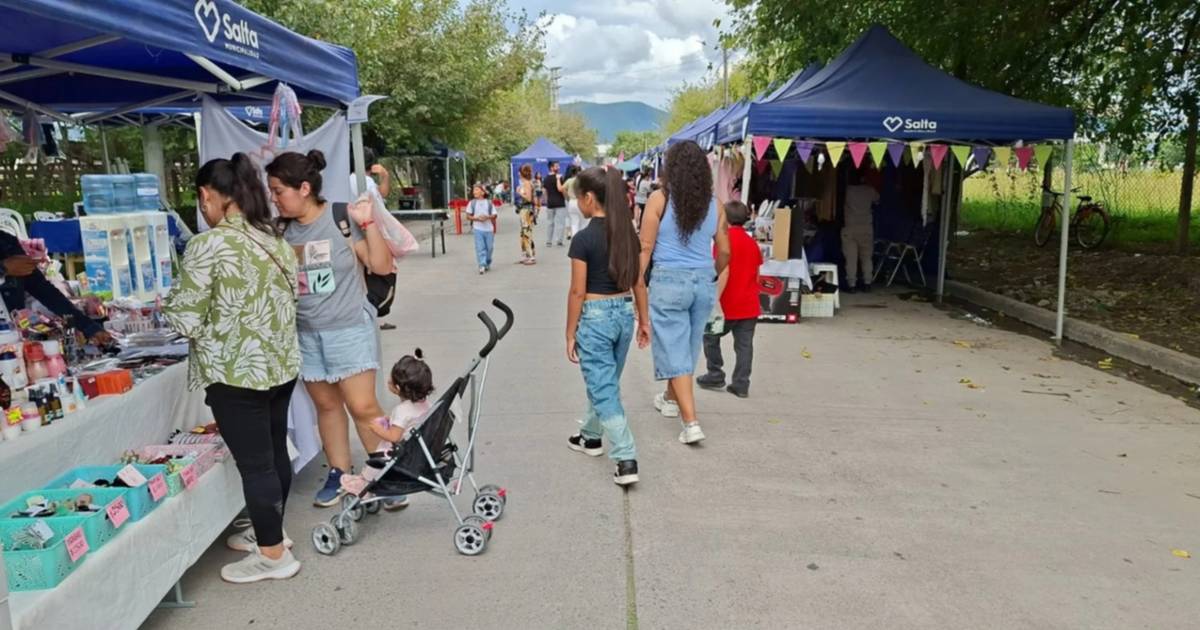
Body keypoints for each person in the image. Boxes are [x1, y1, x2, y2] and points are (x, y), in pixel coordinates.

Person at [163, 153, 301, 584]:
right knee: (276, 452)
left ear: (208, 196)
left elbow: (184, 318)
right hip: (279, 365)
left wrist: (167, 306)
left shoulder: (208, 246)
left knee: (256, 465)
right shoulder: (274, 239)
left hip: (236, 372)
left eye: (201, 201)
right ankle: (274, 534)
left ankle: (274, 556)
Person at [265, 150, 398, 509]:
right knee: (326, 407)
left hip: (349, 328)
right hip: (305, 332)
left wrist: (369, 223)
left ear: (304, 187)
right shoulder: (280, 230)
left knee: (364, 406)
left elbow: (382, 265)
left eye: (279, 191)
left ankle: (385, 474)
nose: (274, 199)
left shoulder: (342, 218)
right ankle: (340, 472)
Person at [639, 140, 730, 445]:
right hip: (703, 281)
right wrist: (713, 272)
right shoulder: (715, 205)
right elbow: (726, 251)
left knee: (675, 346)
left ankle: (691, 422)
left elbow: (646, 247)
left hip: (669, 281)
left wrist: (635, 282)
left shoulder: (657, 200)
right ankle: (669, 397)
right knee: (687, 347)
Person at [565, 166, 650, 486]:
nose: (577, 205)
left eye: (578, 199)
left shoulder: (584, 239)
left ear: (589, 198)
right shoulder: (628, 233)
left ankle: (626, 457)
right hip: (624, 314)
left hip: (596, 317)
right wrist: (644, 320)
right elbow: (639, 283)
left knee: (603, 386)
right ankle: (589, 436)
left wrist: (570, 332)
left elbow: (577, 291)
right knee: (605, 382)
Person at [338, 350, 434, 499]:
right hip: (421, 452)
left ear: (398, 388)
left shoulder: (402, 410)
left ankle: (364, 484)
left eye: (391, 381)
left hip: (403, 456)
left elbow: (394, 437)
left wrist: (377, 429)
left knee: (376, 459)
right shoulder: (426, 404)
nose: (388, 382)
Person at [697, 200, 761, 398]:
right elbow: (757, 275)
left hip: (727, 305)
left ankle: (715, 373)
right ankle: (741, 384)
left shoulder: (723, 241)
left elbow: (724, 272)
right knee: (744, 346)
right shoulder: (752, 243)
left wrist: (714, 299)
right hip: (749, 305)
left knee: (710, 337)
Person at [0, 234, 110, 345]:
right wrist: (3, 268)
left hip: (14, 337)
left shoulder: (7, 243)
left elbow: (44, 290)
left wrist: (88, 327)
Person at [350, 147, 397, 329]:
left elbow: (382, 193)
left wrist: (384, 176)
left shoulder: (345, 181)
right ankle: (372, 315)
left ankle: (371, 315)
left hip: (351, 234)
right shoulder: (365, 182)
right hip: (367, 233)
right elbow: (379, 208)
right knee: (376, 273)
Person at [842, 170, 879, 293]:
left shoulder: (847, 190)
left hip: (850, 228)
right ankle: (867, 282)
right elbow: (877, 200)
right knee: (866, 257)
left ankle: (852, 285)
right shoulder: (870, 190)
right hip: (866, 228)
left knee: (851, 258)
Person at [466, 185, 496, 274]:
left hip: (489, 229)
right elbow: (468, 216)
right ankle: (482, 265)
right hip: (478, 229)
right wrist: (476, 219)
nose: (474, 192)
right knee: (480, 248)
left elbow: (495, 215)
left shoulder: (489, 203)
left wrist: (487, 217)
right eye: (474, 190)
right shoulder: (472, 203)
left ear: (482, 192)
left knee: (489, 248)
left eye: (476, 190)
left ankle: (487, 262)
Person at [516, 164, 537, 265]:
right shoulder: (526, 183)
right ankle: (526, 254)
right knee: (524, 233)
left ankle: (531, 256)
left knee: (527, 233)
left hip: (526, 210)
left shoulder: (527, 183)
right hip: (525, 210)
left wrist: (519, 192)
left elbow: (528, 198)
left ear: (521, 173)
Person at [543, 161, 568, 248]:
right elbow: (562, 189)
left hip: (550, 203)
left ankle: (548, 241)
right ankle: (559, 241)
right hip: (560, 203)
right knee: (560, 223)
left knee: (550, 222)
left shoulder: (545, 178)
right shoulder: (560, 177)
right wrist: (566, 197)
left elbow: (545, 191)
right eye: (556, 166)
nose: (558, 167)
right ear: (551, 167)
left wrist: (546, 201)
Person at [563, 165, 584, 239]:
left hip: (571, 202)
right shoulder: (582, 181)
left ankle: (575, 239)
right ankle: (582, 238)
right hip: (580, 201)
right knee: (582, 222)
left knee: (574, 223)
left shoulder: (569, 180)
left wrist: (567, 197)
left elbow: (563, 189)